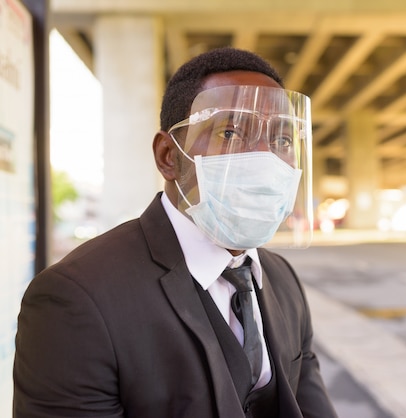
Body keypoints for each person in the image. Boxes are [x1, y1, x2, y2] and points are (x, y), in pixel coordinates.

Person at [13, 47, 338, 418]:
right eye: (230, 132)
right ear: (169, 155)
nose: (265, 157)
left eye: (282, 140)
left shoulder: (282, 278)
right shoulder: (76, 298)